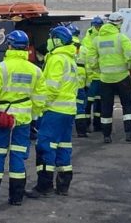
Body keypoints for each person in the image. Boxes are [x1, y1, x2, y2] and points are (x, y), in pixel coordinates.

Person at [0, 30, 46, 206]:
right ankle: (17, 198)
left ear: (9, 46)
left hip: (1, 119)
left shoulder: (1, 68)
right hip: (23, 120)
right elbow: (39, 99)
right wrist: (32, 114)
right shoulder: (35, 70)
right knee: (18, 156)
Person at [26, 26, 78, 198]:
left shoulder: (57, 59)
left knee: (45, 146)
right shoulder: (70, 59)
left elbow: (51, 88)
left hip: (54, 110)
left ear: (57, 40)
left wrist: (40, 105)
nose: (48, 41)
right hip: (68, 110)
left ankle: (44, 185)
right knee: (64, 146)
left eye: (51, 38)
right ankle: (63, 185)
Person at [88, 12, 131, 143]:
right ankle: (129, 133)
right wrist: (129, 67)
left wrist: (99, 70)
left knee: (106, 107)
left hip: (105, 78)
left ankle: (106, 135)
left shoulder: (97, 40)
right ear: (119, 23)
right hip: (122, 77)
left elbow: (91, 59)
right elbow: (130, 55)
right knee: (128, 105)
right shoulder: (121, 38)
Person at [83, 16, 104, 131]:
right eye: (97, 25)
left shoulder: (91, 37)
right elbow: (89, 58)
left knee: (98, 101)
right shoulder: (90, 38)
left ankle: (97, 124)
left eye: (99, 25)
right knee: (89, 102)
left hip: (98, 77)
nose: (98, 27)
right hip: (92, 77)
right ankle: (87, 124)